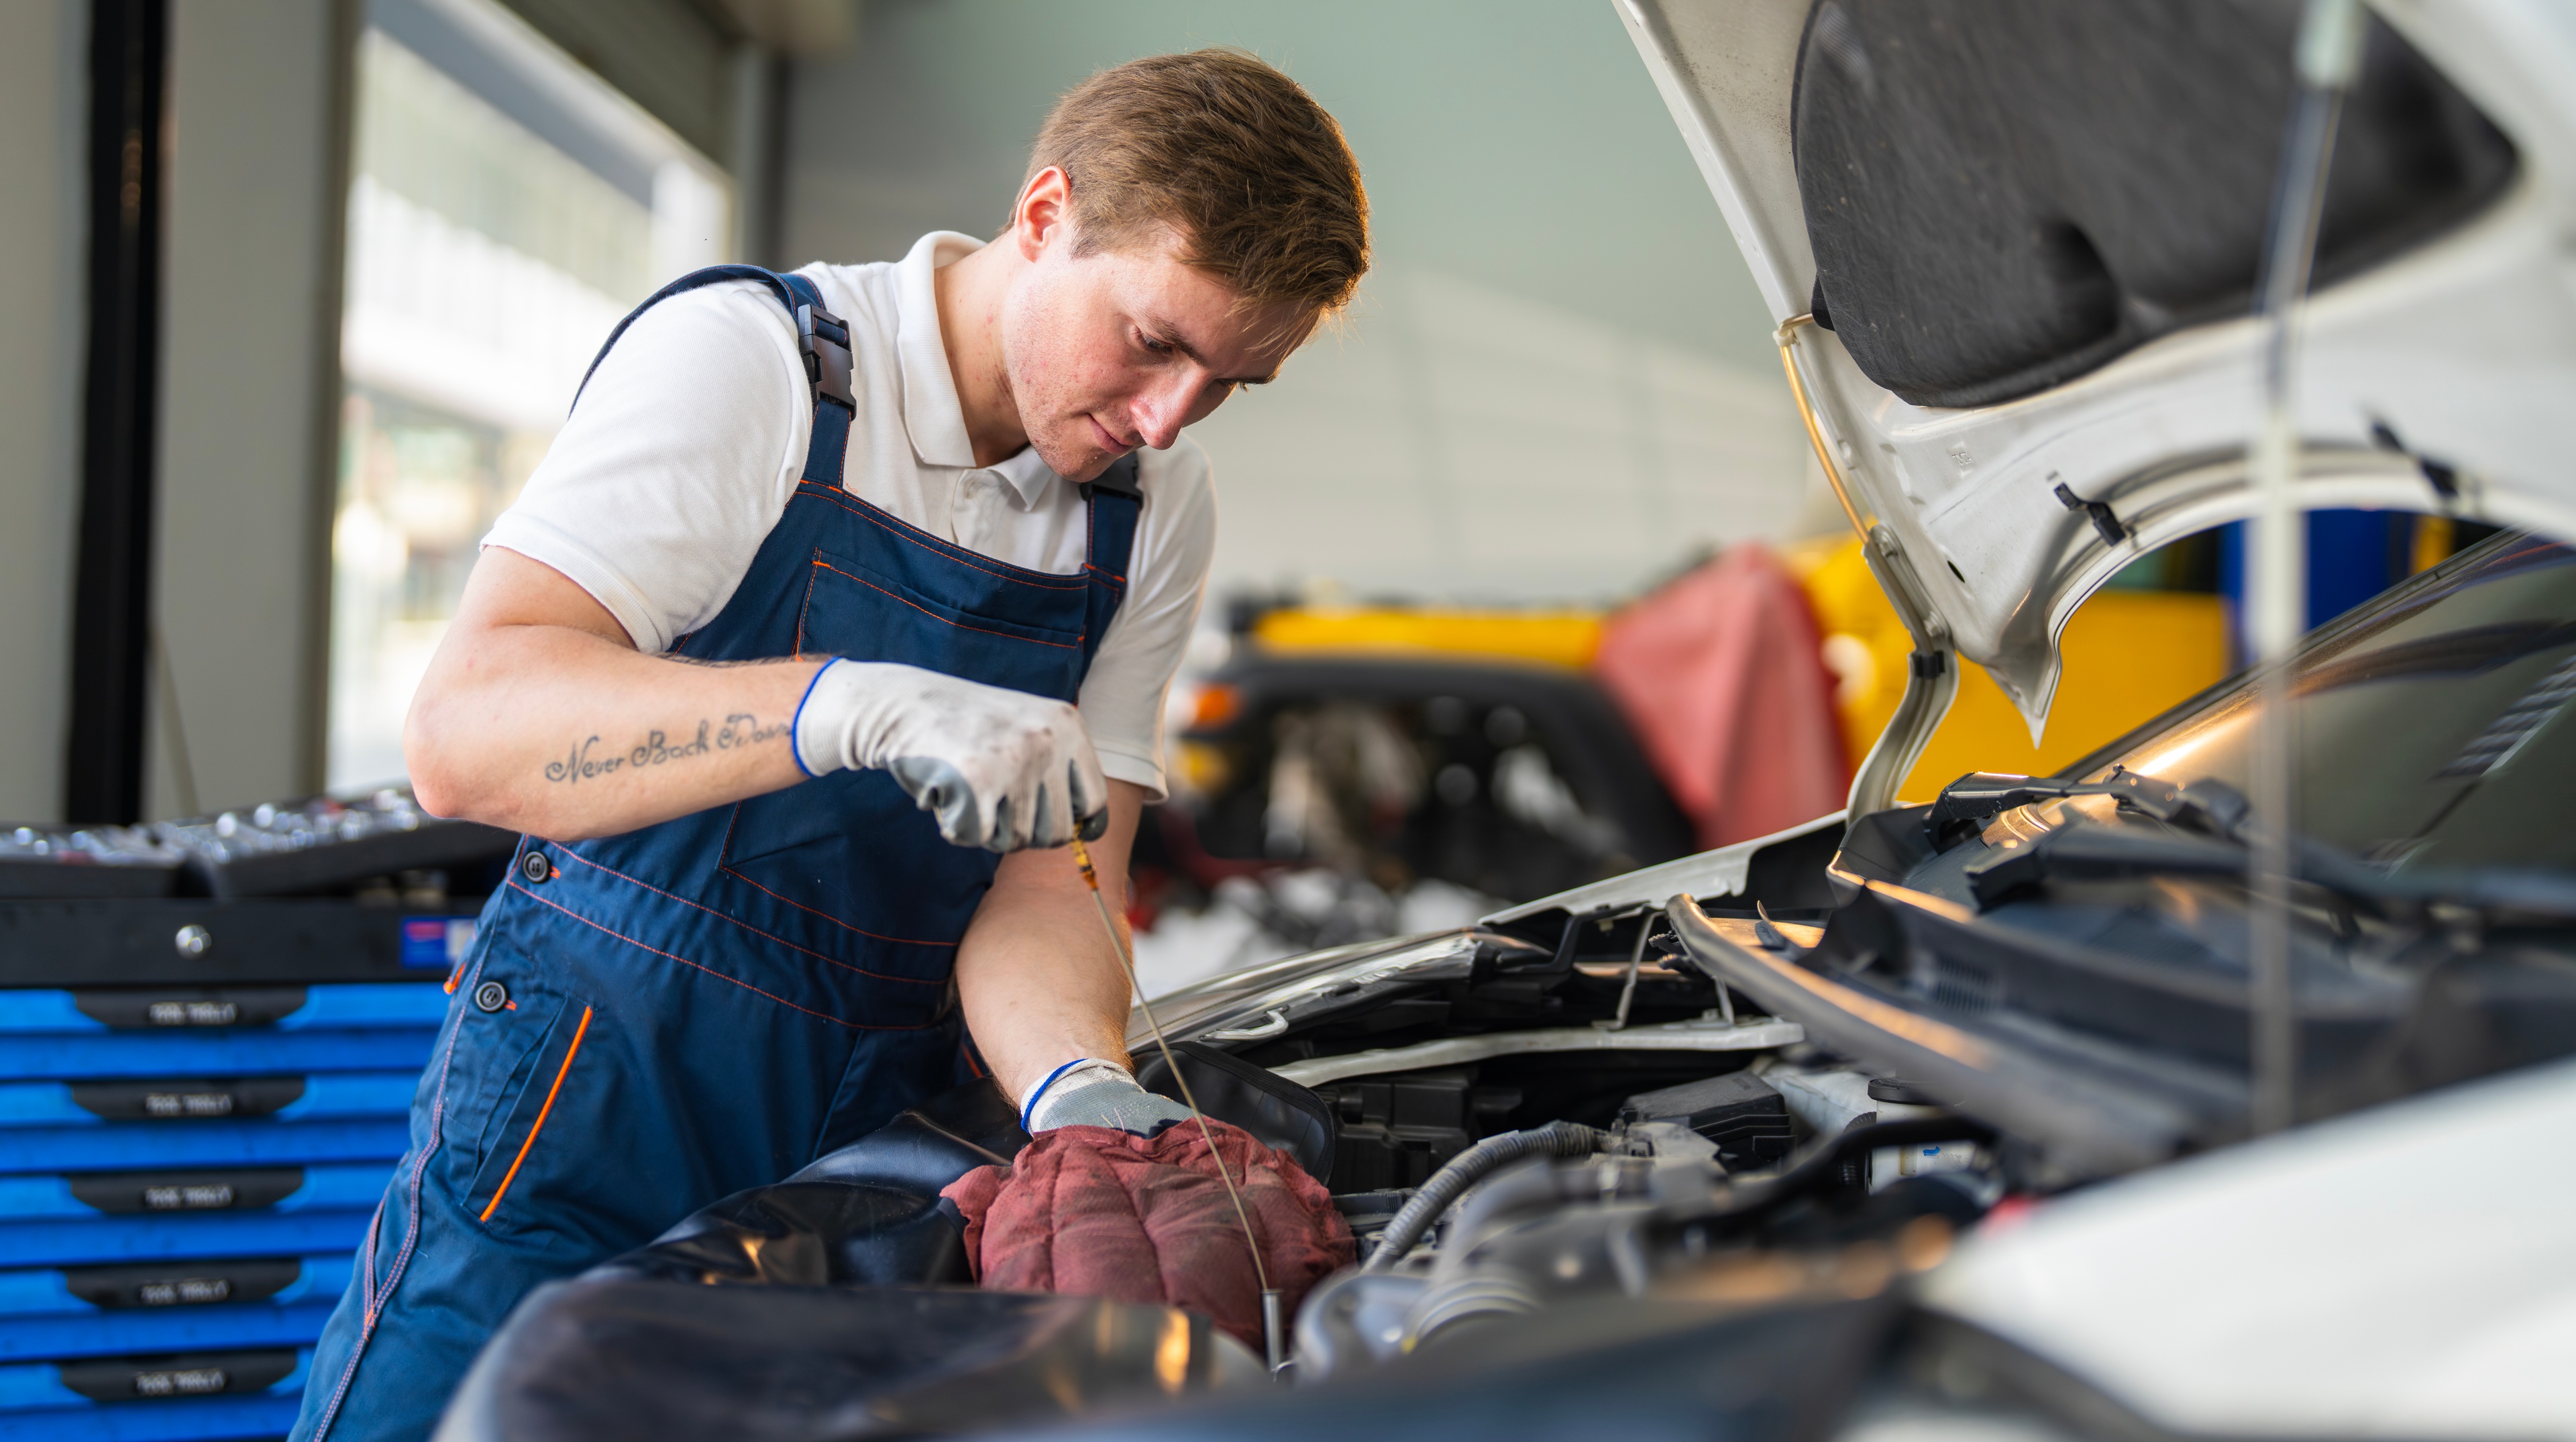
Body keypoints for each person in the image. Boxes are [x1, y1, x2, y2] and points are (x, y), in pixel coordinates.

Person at [293, 49, 1368, 1441]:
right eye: (1155, 341)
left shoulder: (1151, 508)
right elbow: (464, 730)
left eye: (1233, 381)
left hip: (871, 1148)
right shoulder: (760, 371)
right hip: (592, 1092)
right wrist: (836, 706)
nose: (1169, 416)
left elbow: (1056, 884)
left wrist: (1077, 1089)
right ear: (1044, 215)